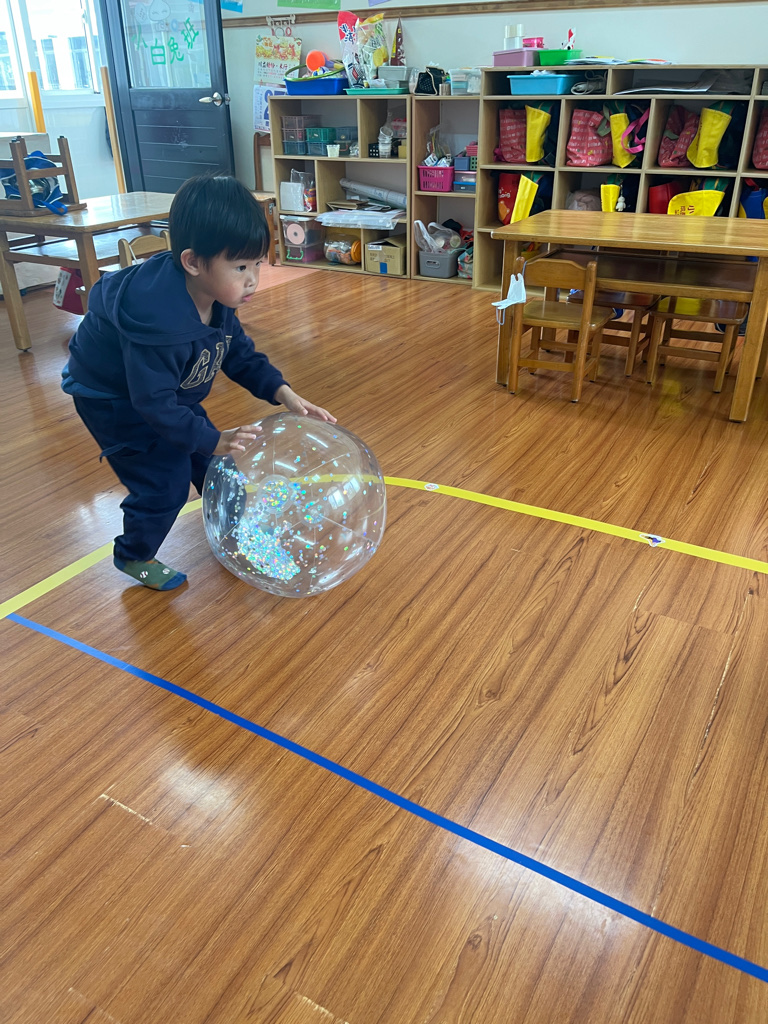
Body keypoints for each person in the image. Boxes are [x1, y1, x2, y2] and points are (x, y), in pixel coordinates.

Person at [62, 174, 335, 592]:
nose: (253, 279)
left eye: (257, 264)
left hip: (167, 391)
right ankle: (134, 554)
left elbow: (238, 353)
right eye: (240, 267)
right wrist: (210, 438)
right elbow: (152, 403)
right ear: (192, 262)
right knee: (165, 484)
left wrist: (284, 393)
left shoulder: (217, 297)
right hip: (115, 401)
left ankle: (234, 531)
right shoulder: (159, 322)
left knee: (215, 466)